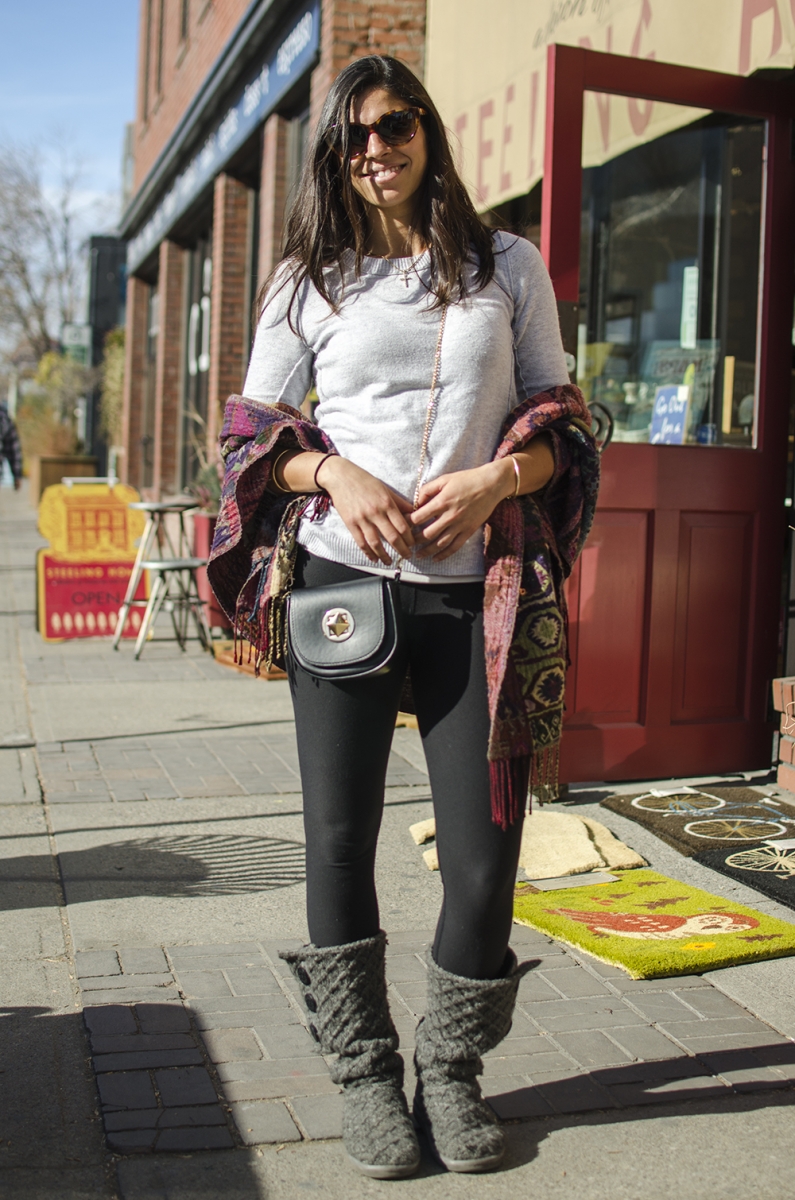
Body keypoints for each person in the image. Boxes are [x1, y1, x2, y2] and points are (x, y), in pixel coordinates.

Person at [208, 55, 598, 1178]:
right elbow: (250, 440)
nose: (376, 148)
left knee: (485, 855)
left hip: (479, 595)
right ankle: (367, 1075)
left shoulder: (506, 266)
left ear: (427, 129)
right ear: (335, 156)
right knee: (339, 840)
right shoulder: (305, 281)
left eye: (394, 125)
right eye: (353, 137)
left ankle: (454, 1067)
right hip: (342, 587)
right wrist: (330, 476)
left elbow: (560, 423)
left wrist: (496, 482)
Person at [0, 402, 23, 490]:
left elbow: (13, 448)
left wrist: (17, 475)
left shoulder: (3, 418)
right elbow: (14, 448)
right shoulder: (4, 418)